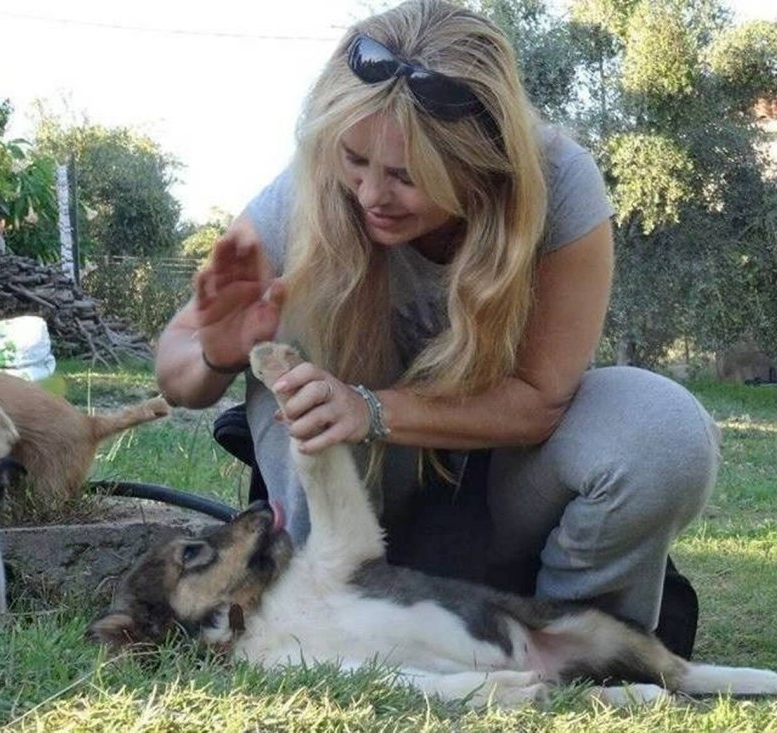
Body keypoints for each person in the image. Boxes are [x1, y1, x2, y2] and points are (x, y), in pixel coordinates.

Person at [156, 0, 719, 642]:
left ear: (482, 159)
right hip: (362, 514)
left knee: (664, 429)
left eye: (406, 175)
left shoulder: (560, 183)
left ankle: (580, 649)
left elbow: (540, 400)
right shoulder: (305, 194)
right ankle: (329, 625)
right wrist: (218, 354)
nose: (370, 194)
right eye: (355, 160)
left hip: (509, 486)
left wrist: (369, 407)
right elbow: (177, 373)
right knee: (289, 354)